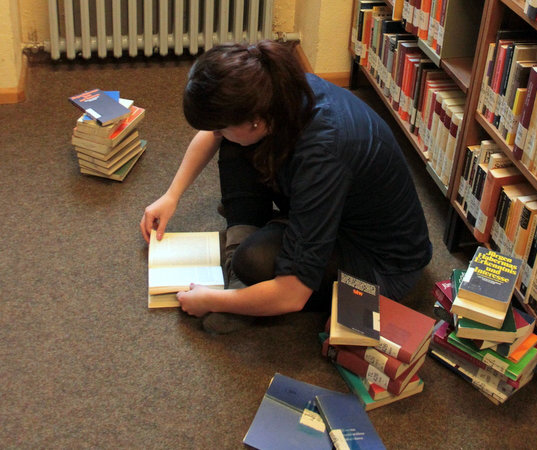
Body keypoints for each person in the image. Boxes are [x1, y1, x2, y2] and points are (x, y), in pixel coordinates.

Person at [140, 40, 432, 333]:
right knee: (233, 143)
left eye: (219, 126)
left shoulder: (323, 155)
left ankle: (241, 284)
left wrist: (212, 300)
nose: (214, 133)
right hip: (338, 206)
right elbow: (216, 134)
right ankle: (245, 284)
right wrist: (171, 195)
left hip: (381, 265)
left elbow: (292, 294)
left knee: (253, 261)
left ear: (255, 120)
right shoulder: (275, 86)